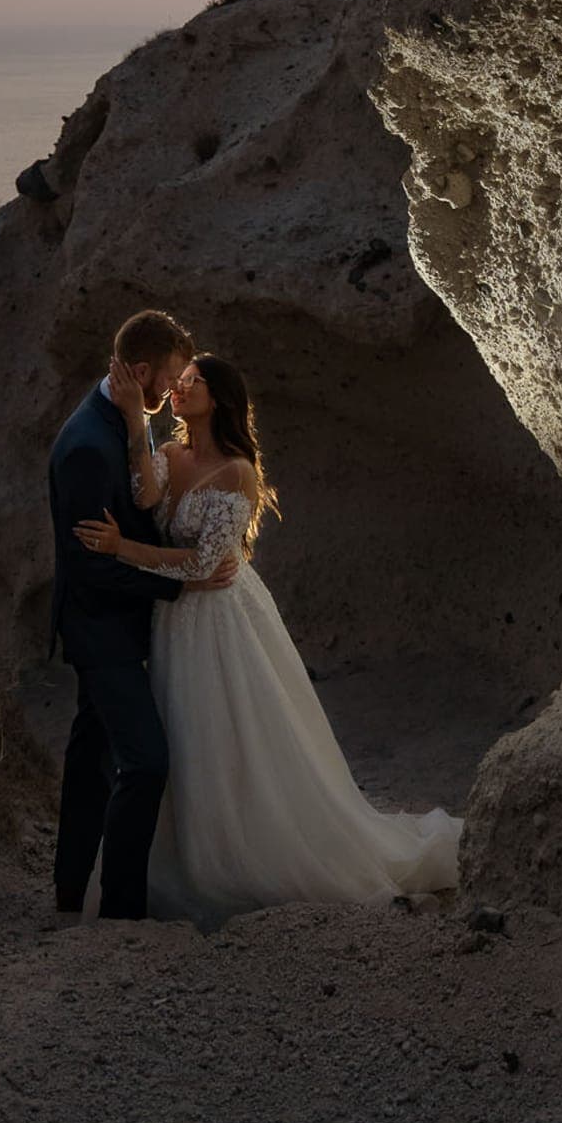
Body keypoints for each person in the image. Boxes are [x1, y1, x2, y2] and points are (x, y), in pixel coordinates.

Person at [75, 350, 462, 925]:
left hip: (221, 622)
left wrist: (122, 549)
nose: (180, 388)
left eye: (193, 382)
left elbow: (205, 567)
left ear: (221, 398)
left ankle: (242, 857)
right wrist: (137, 416)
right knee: (182, 738)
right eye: (178, 382)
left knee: (231, 735)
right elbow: (145, 497)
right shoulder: (170, 453)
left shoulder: (237, 472)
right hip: (175, 624)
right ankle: (175, 860)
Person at [46, 308, 235, 920]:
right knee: (146, 761)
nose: (177, 388)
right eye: (174, 375)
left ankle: (71, 891)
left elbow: (142, 498)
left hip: (118, 623)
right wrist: (181, 587)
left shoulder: (117, 420)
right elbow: (88, 567)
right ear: (145, 371)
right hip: (102, 630)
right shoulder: (85, 448)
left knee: (89, 757)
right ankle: (122, 908)